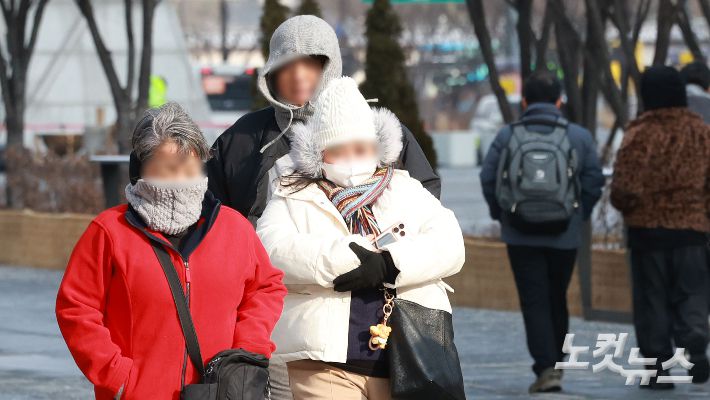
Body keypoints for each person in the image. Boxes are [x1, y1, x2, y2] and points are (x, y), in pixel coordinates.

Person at [205, 15, 441, 399]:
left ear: (329, 66)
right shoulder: (243, 140)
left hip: (378, 314)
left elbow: (425, 204)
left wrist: (390, 259)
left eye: (311, 64)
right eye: (286, 67)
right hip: (276, 309)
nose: (298, 76)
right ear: (271, 74)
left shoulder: (375, 130)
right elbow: (214, 217)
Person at [55, 103, 287, 400]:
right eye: (169, 169)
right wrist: (116, 375)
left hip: (218, 391)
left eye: (189, 169)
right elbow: (76, 307)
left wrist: (247, 349)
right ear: (140, 169)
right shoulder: (109, 231)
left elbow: (266, 287)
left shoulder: (234, 228)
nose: (181, 181)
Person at [255, 77, 465, 400]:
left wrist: (389, 264)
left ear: (377, 148)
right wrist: (349, 258)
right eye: (338, 151)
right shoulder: (293, 194)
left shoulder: (405, 189)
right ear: (318, 154)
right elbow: (271, 250)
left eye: (360, 149)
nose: (351, 159)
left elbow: (449, 243)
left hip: (412, 357)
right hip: (323, 362)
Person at [480, 71, 604, 393]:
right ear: (559, 101)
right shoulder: (578, 136)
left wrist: (501, 215)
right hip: (564, 234)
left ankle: (546, 367)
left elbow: (488, 177)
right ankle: (556, 363)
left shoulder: (507, 135)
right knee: (556, 296)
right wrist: (578, 215)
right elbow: (593, 180)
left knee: (533, 299)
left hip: (520, 233)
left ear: (524, 102)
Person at [611, 65, 710, 389]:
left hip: (647, 232)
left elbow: (623, 188)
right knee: (692, 293)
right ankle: (695, 336)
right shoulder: (701, 133)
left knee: (651, 301)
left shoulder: (639, 135)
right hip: (691, 230)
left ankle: (657, 369)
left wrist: (628, 206)